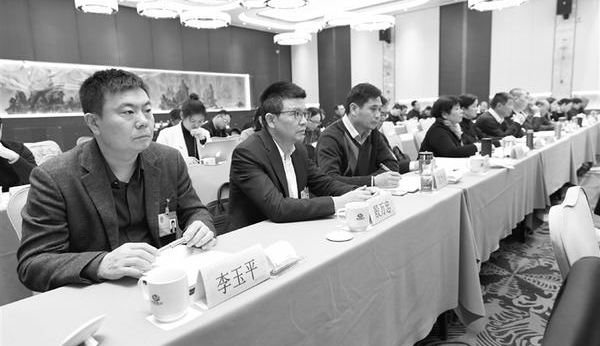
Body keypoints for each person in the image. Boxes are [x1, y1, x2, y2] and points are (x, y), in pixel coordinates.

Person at [17, 69, 215, 292]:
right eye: (128, 112)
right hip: (99, 292)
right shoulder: (55, 177)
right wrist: (101, 264)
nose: (144, 121)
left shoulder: (169, 160)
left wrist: (201, 225)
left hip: (165, 284)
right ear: (94, 123)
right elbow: (34, 264)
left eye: (147, 110)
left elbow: (195, 211)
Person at [227, 81, 375, 232]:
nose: (304, 121)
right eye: (295, 114)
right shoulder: (248, 153)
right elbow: (278, 208)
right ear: (271, 120)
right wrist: (340, 202)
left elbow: (324, 183)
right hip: (254, 236)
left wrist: (362, 192)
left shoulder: (298, 149)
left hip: (293, 228)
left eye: (304, 114)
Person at [316, 83, 401, 187]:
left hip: (371, 195)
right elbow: (329, 180)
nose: (378, 115)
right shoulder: (330, 138)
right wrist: (372, 181)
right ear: (354, 109)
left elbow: (392, 166)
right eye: (373, 109)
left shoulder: (372, 133)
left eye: (379, 109)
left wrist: (369, 181)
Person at [0, 117, 37, 192]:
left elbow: (39, 181)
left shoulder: (19, 149)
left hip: (13, 198)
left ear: (1, 128)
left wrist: (14, 158)